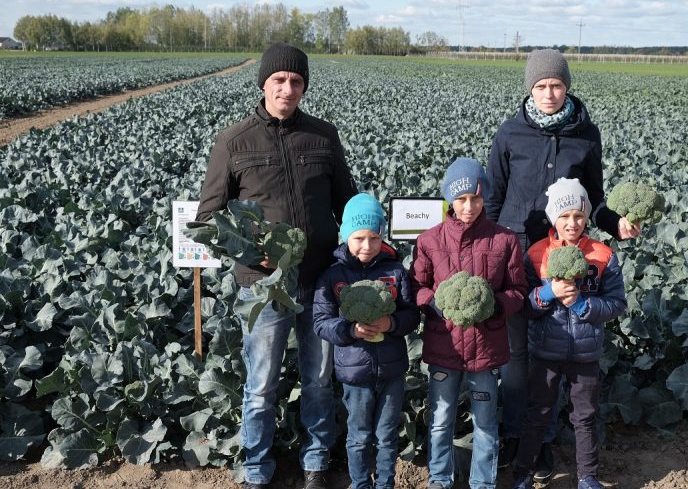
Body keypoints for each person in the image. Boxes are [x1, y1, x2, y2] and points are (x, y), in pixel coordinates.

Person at [196, 43, 357, 489]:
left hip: (320, 281)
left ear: (304, 86)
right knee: (261, 384)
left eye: (297, 81)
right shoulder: (234, 140)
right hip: (263, 286)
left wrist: (368, 246)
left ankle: (316, 463)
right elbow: (207, 219)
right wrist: (251, 254)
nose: (288, 89)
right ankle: (256, 469)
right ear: (264, 83)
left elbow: (348, 203)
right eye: (280, 80)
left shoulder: (324, 136)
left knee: (319, 380)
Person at [485, 48, 640, 481]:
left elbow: (596, 197)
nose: (549, 93)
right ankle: (520, 437)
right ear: (530, 89)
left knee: (554, 352)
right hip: (519, 256)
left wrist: (616, 223)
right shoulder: (510, 134)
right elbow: (494, 199)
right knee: (519, 355)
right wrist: (492, 253)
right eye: (540, 86)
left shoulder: (586, 135)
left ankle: (545, 441)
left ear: (566, 86)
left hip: (568, 260)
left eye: (555, 85)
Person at [410, 157, 528, 489]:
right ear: (449, 198)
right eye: (461, 199)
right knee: (441, 420)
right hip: (443, 346)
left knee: (486, 422)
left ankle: (483, 483)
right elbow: (416, 286)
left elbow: (518, 291)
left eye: (476, 198)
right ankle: (439, 479)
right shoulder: (429, 240)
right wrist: (432, 302)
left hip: (485, 351)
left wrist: (494, 307)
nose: (469, 206)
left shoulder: (503, 240)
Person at [512, 178, 627, 489]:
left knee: (585, 418)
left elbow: (617, 303)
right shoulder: (537, 254)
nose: (572, 223)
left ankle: (587, 478)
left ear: (587, 216)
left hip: (585, 354)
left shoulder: (603, 255)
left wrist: (581, 305)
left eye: (578, 215)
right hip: (545, 353)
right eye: (564, 216)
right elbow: (524, 304)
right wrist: (546, 293)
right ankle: (523, 475)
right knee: (538, 415)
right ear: (553, 218)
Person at [313, 193, 420, 489]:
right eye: (359, 237)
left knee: (387, 436)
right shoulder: (332, 275)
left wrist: (392, 322)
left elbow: (412, 315)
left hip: (392, 370)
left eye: (374, 238)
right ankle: (360, 484)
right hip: (354, 373)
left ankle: (385, 484)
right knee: (358, 436)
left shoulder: (395, 271)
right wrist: (350, 331)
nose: (367, 246)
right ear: (346, 235)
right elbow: (322, 323)